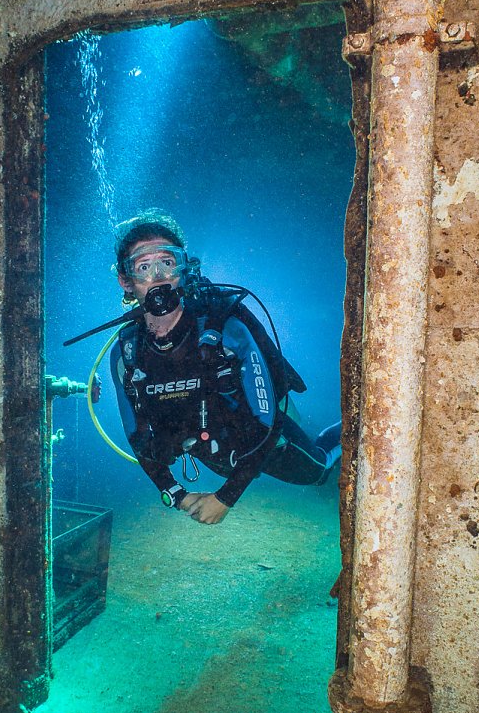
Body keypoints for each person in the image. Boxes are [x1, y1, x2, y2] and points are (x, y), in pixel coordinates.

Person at [109, 209, 342, 525]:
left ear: (184, 268)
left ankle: (347, 426)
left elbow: (266, 422)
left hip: (261, 441)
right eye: (144, 267)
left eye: (167, 262)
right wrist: (176, 494)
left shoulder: (226, 330)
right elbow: (137, 436)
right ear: (126, 281)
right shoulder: (126, 352)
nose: (159, 276)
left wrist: (226, 497)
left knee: (318, 471)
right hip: (213, 451)